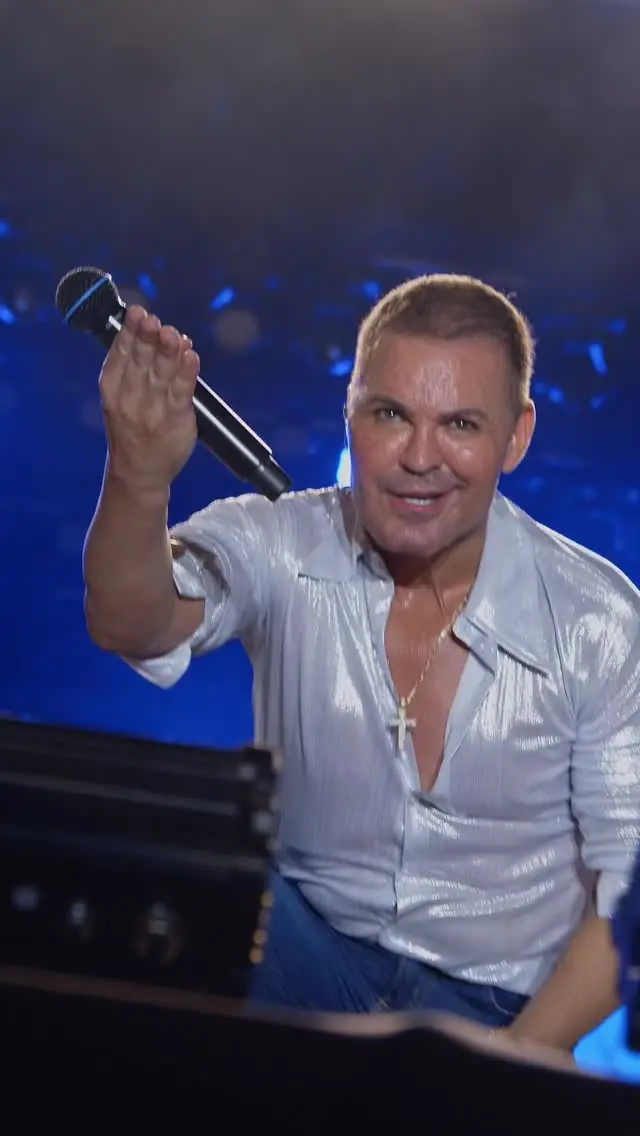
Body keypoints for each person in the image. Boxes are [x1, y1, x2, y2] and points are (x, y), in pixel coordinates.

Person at [82, 273, 640, 1054]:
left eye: (461, 424)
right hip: (295, 954)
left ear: (516, 437)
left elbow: (628, 895)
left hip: (497, 1010)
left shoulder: (601, 620)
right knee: (161, 859)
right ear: (351, 411)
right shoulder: (278, 537)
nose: (420, 457)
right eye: (391, 414)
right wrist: (138, 474)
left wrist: (508, 1066)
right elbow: (130, 623)